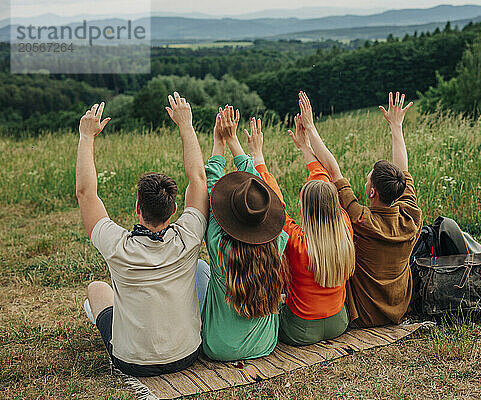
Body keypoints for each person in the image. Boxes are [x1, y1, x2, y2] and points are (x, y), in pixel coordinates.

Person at [80, 93, 209, 376]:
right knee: (199, 268)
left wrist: (87, 137)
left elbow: (86, 193)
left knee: (97, 289)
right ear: (175, 208)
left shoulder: (115, 245)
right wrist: (185, 124)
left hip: (132, 361)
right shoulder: (189, 235)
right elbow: (198, 178)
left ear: (138, 207)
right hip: (187, 354)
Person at [296, 91, 423, 328]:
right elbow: (404, 172)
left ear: (372, 192)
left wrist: (311, 128)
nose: (366, 182)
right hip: (398, 309)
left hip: (365, 315)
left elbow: (334, 171)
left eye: (368, 180)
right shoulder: (411, 217)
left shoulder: (360, 218)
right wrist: (396, 127)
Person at [245, 116, 355, 346]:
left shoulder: (296, 242)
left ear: (305, 210)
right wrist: (305, 147)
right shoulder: (345, 227)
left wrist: (257, 155)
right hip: (339, 321)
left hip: (301, 330)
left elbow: (275, 202)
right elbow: (323, 186)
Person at [200, 105, 288, 361]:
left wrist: (220, 143)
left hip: (218, 348)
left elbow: (210, 187)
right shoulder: (277, 241)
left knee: (198, 270)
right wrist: (236, 143)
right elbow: (258, 192)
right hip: (265, 345)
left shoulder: (219, 247)